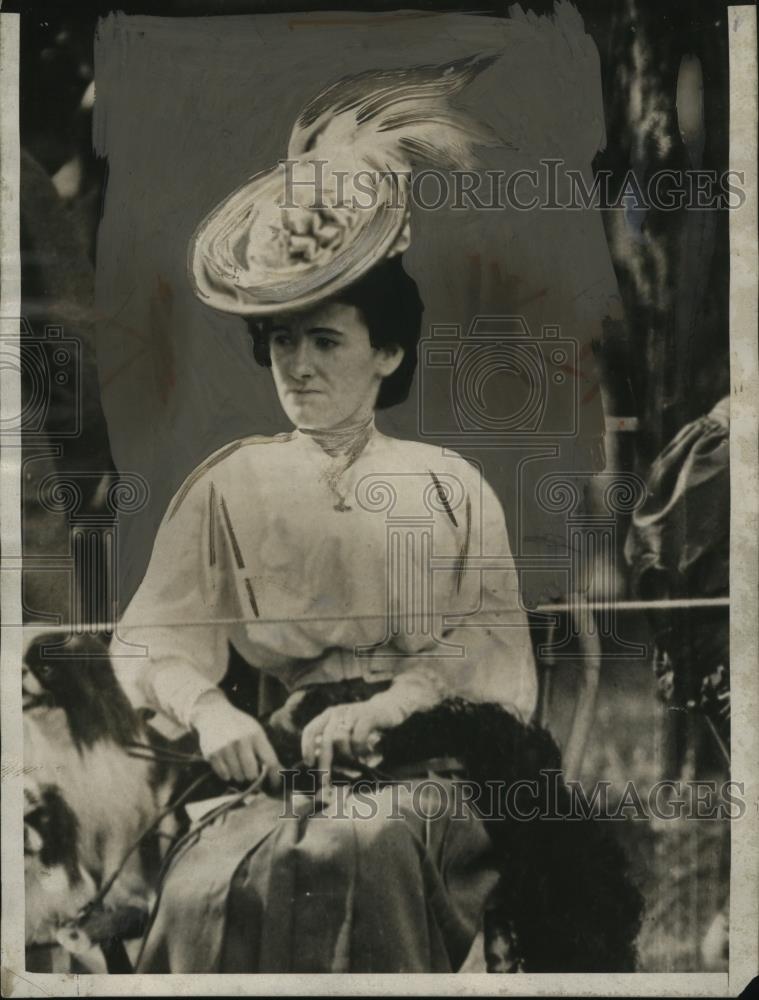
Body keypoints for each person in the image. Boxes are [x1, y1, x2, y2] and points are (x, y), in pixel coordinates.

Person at [112, 44, 642, 974]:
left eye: (325, 341)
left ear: (386, 352)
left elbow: (487, 651)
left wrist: (396, 704)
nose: (298, 366)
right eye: (281, 343)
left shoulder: (444, 483)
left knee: (357, 855)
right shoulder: (228, 484)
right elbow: (153, 636)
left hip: (433, 765)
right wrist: (211, 713)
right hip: (287, 765)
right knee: (204, 884)